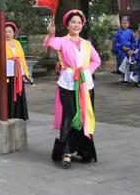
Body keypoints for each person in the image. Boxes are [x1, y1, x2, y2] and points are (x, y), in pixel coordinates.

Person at [45, 9, 101, 169]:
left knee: (85, 116)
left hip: (85, 84)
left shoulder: (86, 44)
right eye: (73, 22)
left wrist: (86, 71)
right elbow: (50, 43)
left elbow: (96, 60)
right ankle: (66, 152)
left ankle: (84, 150)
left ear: (82, 25)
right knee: (69, 117)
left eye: (79, 22)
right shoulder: (62, 40)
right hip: (67, 84)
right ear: (67, 25)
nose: (76, 25)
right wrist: (50, 34)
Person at [0, 21, 30, 120]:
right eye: (5, 32)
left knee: (19, 92)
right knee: (8, 93)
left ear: (13, 33)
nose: (8, 34)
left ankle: (20, 114)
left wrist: (26, 72)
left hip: (18, 71)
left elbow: (22, 58)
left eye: (10, 31)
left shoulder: (18, 43)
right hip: (7, 72)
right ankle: (9, 114)